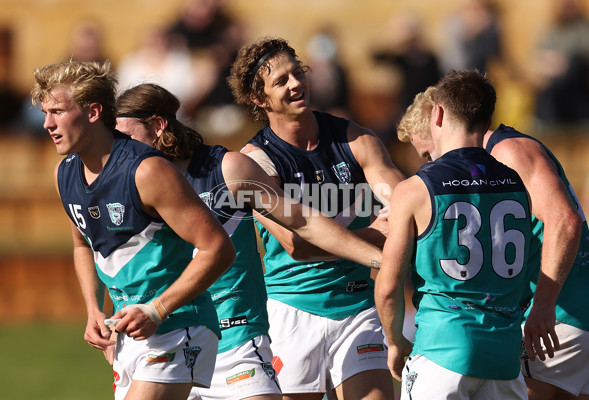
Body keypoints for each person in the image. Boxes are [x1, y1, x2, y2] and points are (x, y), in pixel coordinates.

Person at [114, 83, 387, 400]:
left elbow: (303, 226)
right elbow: (117, 258)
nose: (119, 149)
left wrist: (379, 258)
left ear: (158, 126)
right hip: (161, 339)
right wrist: (106, 317)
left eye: (124, 136)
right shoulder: (125, 185)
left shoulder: (226, 169)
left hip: (235, 340)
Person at [31, 59, 236, 400]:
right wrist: (94, 310)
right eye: (44, 113)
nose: (46, 123)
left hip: (177, 323)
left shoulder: (147, 171)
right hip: (128, 332)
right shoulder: (63, 174)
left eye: (57, 111)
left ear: (94, 111)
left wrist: (156, 309)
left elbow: (219, 248)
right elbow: (83, 244)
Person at [227, 37, 404, 400]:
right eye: (281, 81)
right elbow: (297, 245)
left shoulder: (355, 139)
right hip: (292, 310)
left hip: (358, 306)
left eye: (298, 73)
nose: (295, 84)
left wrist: (398, 220)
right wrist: (374, 234)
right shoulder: (256, 161)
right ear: (260, 99)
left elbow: (404, 209)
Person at [397, 84, 589, 400]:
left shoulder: (506, 152)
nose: (429, 165)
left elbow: (565, 219)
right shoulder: (493, 165)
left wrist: (544, 305)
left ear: (438, 122)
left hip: (554, 320)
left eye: (426, 154)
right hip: (577, 316)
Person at [375, 70, 544, 399]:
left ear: (436, 113)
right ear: (487, 117)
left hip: (443, 350)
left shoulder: (415, 189)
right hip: (504, 358)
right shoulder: (516, 185)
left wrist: (395, 343)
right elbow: (527, 276)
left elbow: (388, 287)